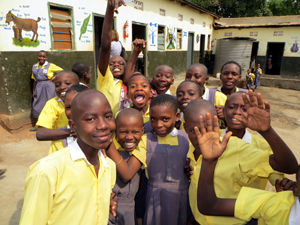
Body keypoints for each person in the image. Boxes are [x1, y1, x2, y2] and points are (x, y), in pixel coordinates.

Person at [183, 90, 298, 225]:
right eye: (193, 131)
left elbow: (290, 167)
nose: (200, 137)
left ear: (216, 123)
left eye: (206, 129)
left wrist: (266, 131)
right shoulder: (192, 147)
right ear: (185, 128)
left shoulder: (236, 147)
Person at [19, 90, 117, 225]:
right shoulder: (48, 171)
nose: (103, 125)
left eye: (108, 116)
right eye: (90, 119)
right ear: (73, 126)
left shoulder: (108, 166)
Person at [196, 118, 299, 224]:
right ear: (296, 189)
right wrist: (209, 161)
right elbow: (209, 206)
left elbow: (289, 167)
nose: (238, 112)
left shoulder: (255, 146)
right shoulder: (273, 205)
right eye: (232, 106)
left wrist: (267, 131)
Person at [107, 94, 191, 225]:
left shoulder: (187, 138)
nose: (158, 124)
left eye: (165, 119)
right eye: (153, 119)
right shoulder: (146, 140)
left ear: (177, 117)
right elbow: (128, 173)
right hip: (154, 199)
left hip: (182, 199)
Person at [221, 92, 284, 190]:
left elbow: (285, 170)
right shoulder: (211, 138)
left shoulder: (263, 148)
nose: (237, 112)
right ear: (223, 111)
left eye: (244, 109)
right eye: (232, 107)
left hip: (247, 205)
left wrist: (285, 184)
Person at [97, 0, 146, 116]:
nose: (116, 65)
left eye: (121, 63)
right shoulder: (105, 79)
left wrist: (136, 52)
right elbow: (105, 46)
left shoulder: (128, 84)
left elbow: (128, 75)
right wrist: (109, 10)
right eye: (112, 63)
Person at [108, 108, 146, 225]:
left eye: (135, 132)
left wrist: (108, 146)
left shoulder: (142, 145)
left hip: (129, 207)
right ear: (115, 132)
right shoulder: (104, 146)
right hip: (106, 204)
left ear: (142, 131)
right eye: (123, 132)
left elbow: (126, 175)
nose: (129, 137)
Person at [36, 71, 79, 155]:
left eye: (67, 83)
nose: (62, 87)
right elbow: (41, 134)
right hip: (60, 153)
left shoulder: (87, 101)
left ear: (78, 85)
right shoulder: (52, 104)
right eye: (57, 85)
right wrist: (71, 131)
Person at [30, 50, 63, 131]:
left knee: (50, 104)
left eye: (43, 56)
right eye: (40, 56)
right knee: (37, 105)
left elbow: (62, 71)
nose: (41, 58)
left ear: (46, 58)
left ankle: (53, 125)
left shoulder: (50, 65)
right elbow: (34, 80)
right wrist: (34, 91)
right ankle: (37, 125)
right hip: (39, 87)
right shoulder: (34, 66)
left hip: (49, 87)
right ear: (37, 57)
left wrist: (55, 77)